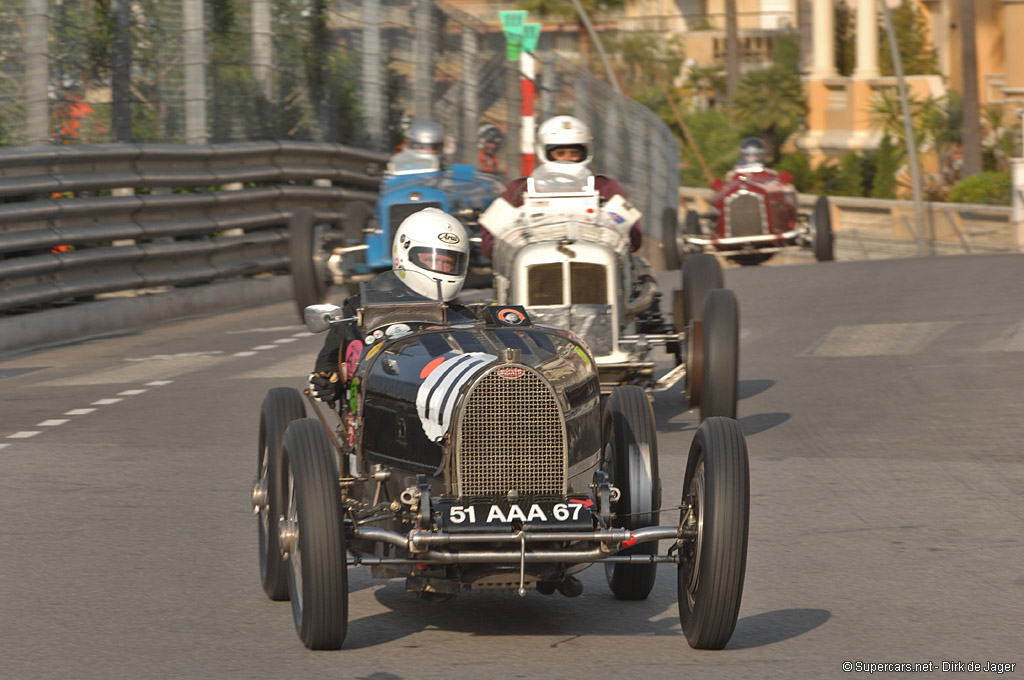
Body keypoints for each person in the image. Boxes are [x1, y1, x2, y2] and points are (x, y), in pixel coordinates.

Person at [308, 207, 470, 407]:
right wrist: (328, 377)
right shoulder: (360, 309)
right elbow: (329, 360)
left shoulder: (462, 316)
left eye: (448, 262)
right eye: (431, 260)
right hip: (382, 400)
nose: (441, 269)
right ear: (405, 253)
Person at [480, 115, 642, 258]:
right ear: (545, 152)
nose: (567, 159)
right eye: (560, 153)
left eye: (574, 153)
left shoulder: (605, 187)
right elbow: (488, 243)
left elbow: (635, 238)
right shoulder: (521, 189)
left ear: (585, 153)